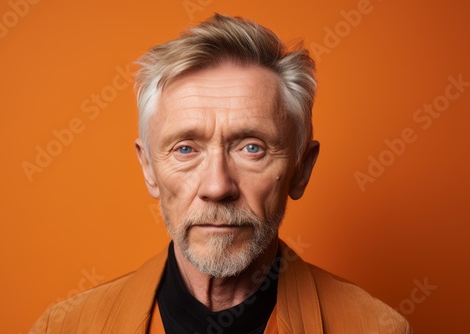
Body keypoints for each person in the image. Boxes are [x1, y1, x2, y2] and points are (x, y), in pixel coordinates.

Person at [30, 14, 412, 334]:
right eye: (185, 149)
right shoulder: (64, 327)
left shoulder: (376, 328)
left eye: (252, 148)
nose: (217, 186)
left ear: (301, 169)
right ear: (148, 167)